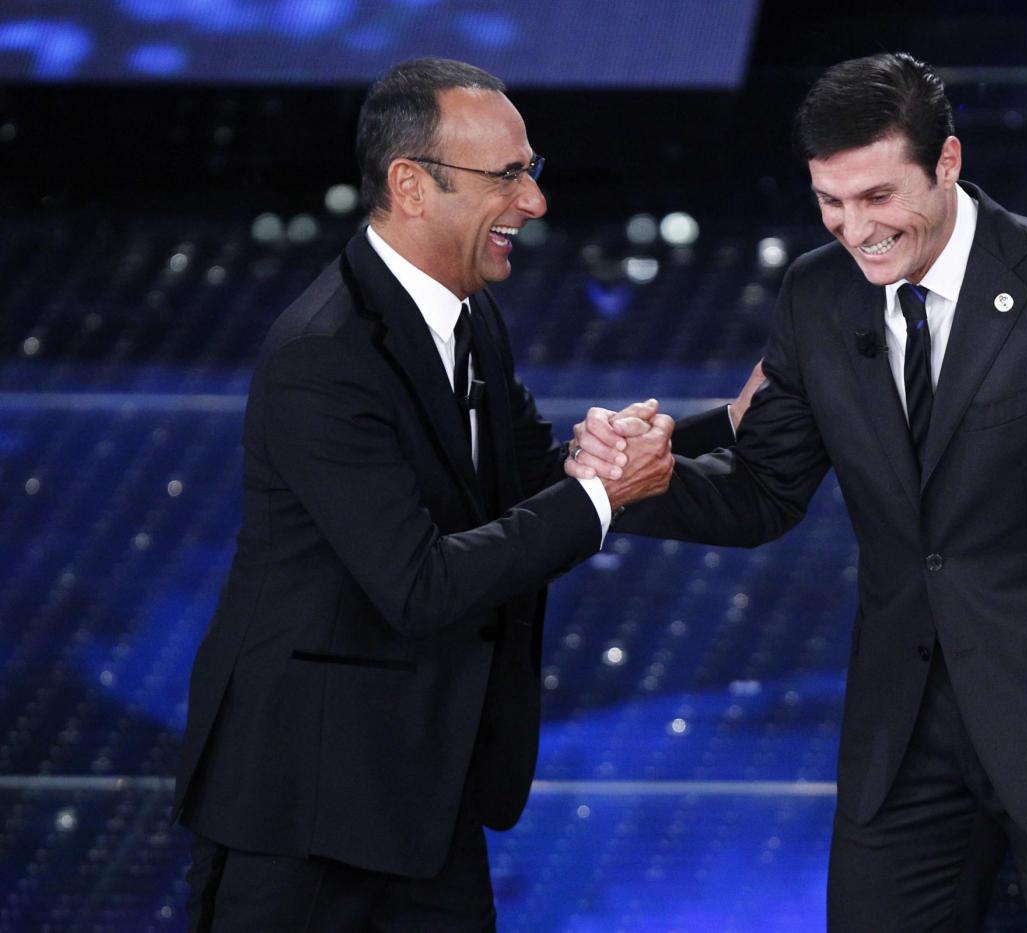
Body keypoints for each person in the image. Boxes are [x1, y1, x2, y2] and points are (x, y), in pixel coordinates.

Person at [569, 52, 1027, 932]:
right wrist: (639, 484)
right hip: (901, 739)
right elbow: (764, 492)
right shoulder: (817, 296)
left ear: (947, 161)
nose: (854, 228)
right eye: (830, 201)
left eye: (877, 197)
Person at [172, 58, 703, 930]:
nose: (535, 201)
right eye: (507, 176)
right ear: (410, 185)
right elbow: (417, 584)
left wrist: (722, 425)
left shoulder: (467, 314)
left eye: (532, 170)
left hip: (420, 793)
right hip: (302, 816)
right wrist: (601, 496)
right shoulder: (323, 356)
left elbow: (536, 476)